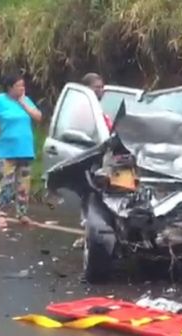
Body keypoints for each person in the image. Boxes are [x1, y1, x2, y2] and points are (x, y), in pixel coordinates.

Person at [0, 72, 42, 231]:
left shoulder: (26, 100)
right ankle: (2, 215)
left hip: (25, 149)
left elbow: (38, 117)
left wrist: (24, 103)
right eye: (19, 86)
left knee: (23, 185)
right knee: (7, 184)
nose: (22, 88)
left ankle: (22, 214)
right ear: (10, 87)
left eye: (23, 85)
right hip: (6, 150)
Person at [73, 72, 113, 248]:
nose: (101, 90)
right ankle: (88, 235)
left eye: (102, 87)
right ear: (86, 89)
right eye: (97, 87)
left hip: (106, 157)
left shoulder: (99, 109)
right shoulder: (83, 109)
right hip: (88, 157)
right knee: (90, 197)